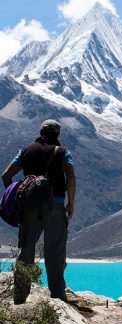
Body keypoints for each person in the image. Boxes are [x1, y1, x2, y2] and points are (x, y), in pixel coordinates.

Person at [2, 119, 76, 304]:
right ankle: (58, 296)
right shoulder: (62, 152)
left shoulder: (25, 151)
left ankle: (20, 296)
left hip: (29, 209)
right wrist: (70, 203)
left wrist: (15, 196)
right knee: (55, 251)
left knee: (26, 251)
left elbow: (6, 175)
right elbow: (71, 176)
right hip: (55, 206)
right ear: (57, 134)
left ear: (40, 132)